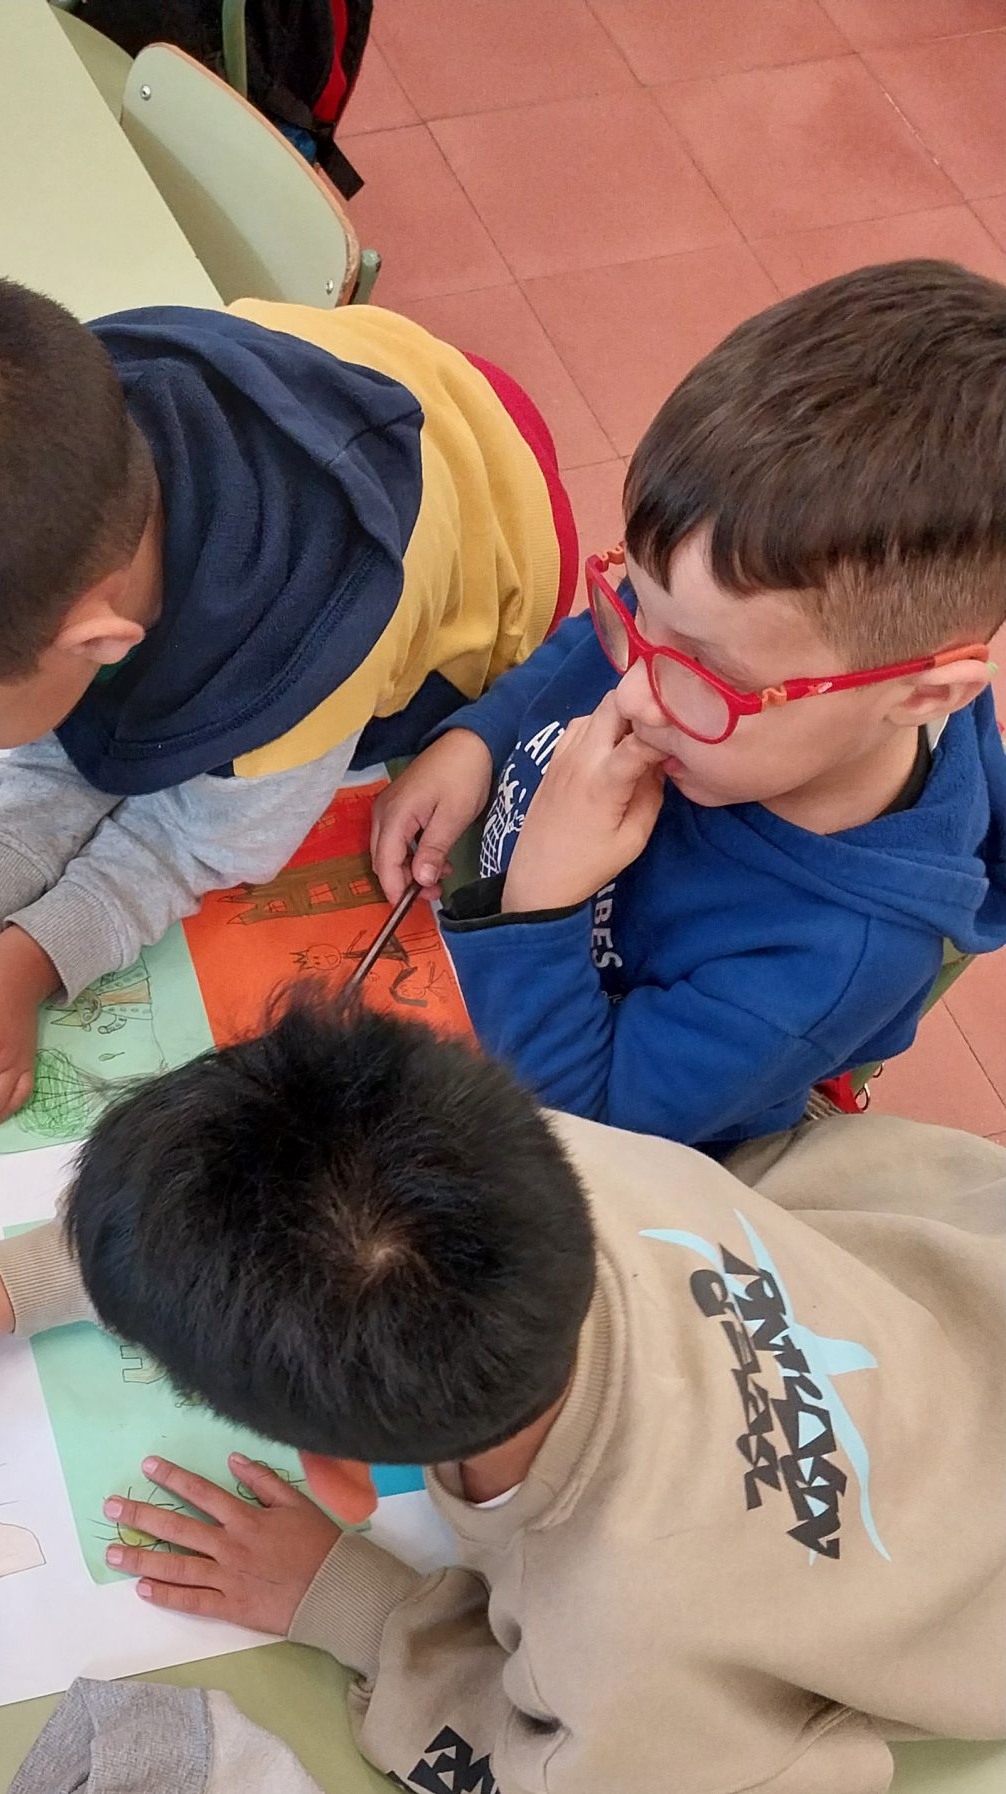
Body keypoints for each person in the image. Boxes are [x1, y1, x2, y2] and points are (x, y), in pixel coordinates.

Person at [0, 999, 1006, 1794]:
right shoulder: (550, 1161)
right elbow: (311, 1202)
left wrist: (360, 1609)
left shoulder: (621, 1644)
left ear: (341, 1480)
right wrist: (38, 1277)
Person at [0, 261, 573, 1135]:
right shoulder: (63, 445)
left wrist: (26, 963)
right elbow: (80, 739)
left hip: (503, 541)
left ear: (98, 644)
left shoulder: (294, 674)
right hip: (379, 386)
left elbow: (182, 844)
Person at [372, 261, 1006, 1151]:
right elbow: (591, 646)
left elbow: (591, 1132)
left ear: (923, 695)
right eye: (635, 601)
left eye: (707, 673)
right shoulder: (707, 623)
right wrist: (480, 737)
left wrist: (541, 901)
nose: (634, 691)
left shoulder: (836, 956)